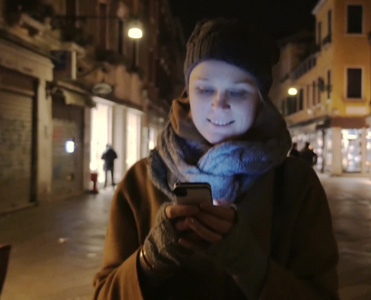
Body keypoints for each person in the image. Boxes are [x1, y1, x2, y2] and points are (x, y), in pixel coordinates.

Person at [93, 18, 339, 300]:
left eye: (238, 91)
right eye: (205, 89)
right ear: (187, 92)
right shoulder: (141, 180)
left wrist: (246, 261)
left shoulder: (296, 186)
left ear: (260, 100)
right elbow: (105, 295)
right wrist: (151, 258)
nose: (219, 104)